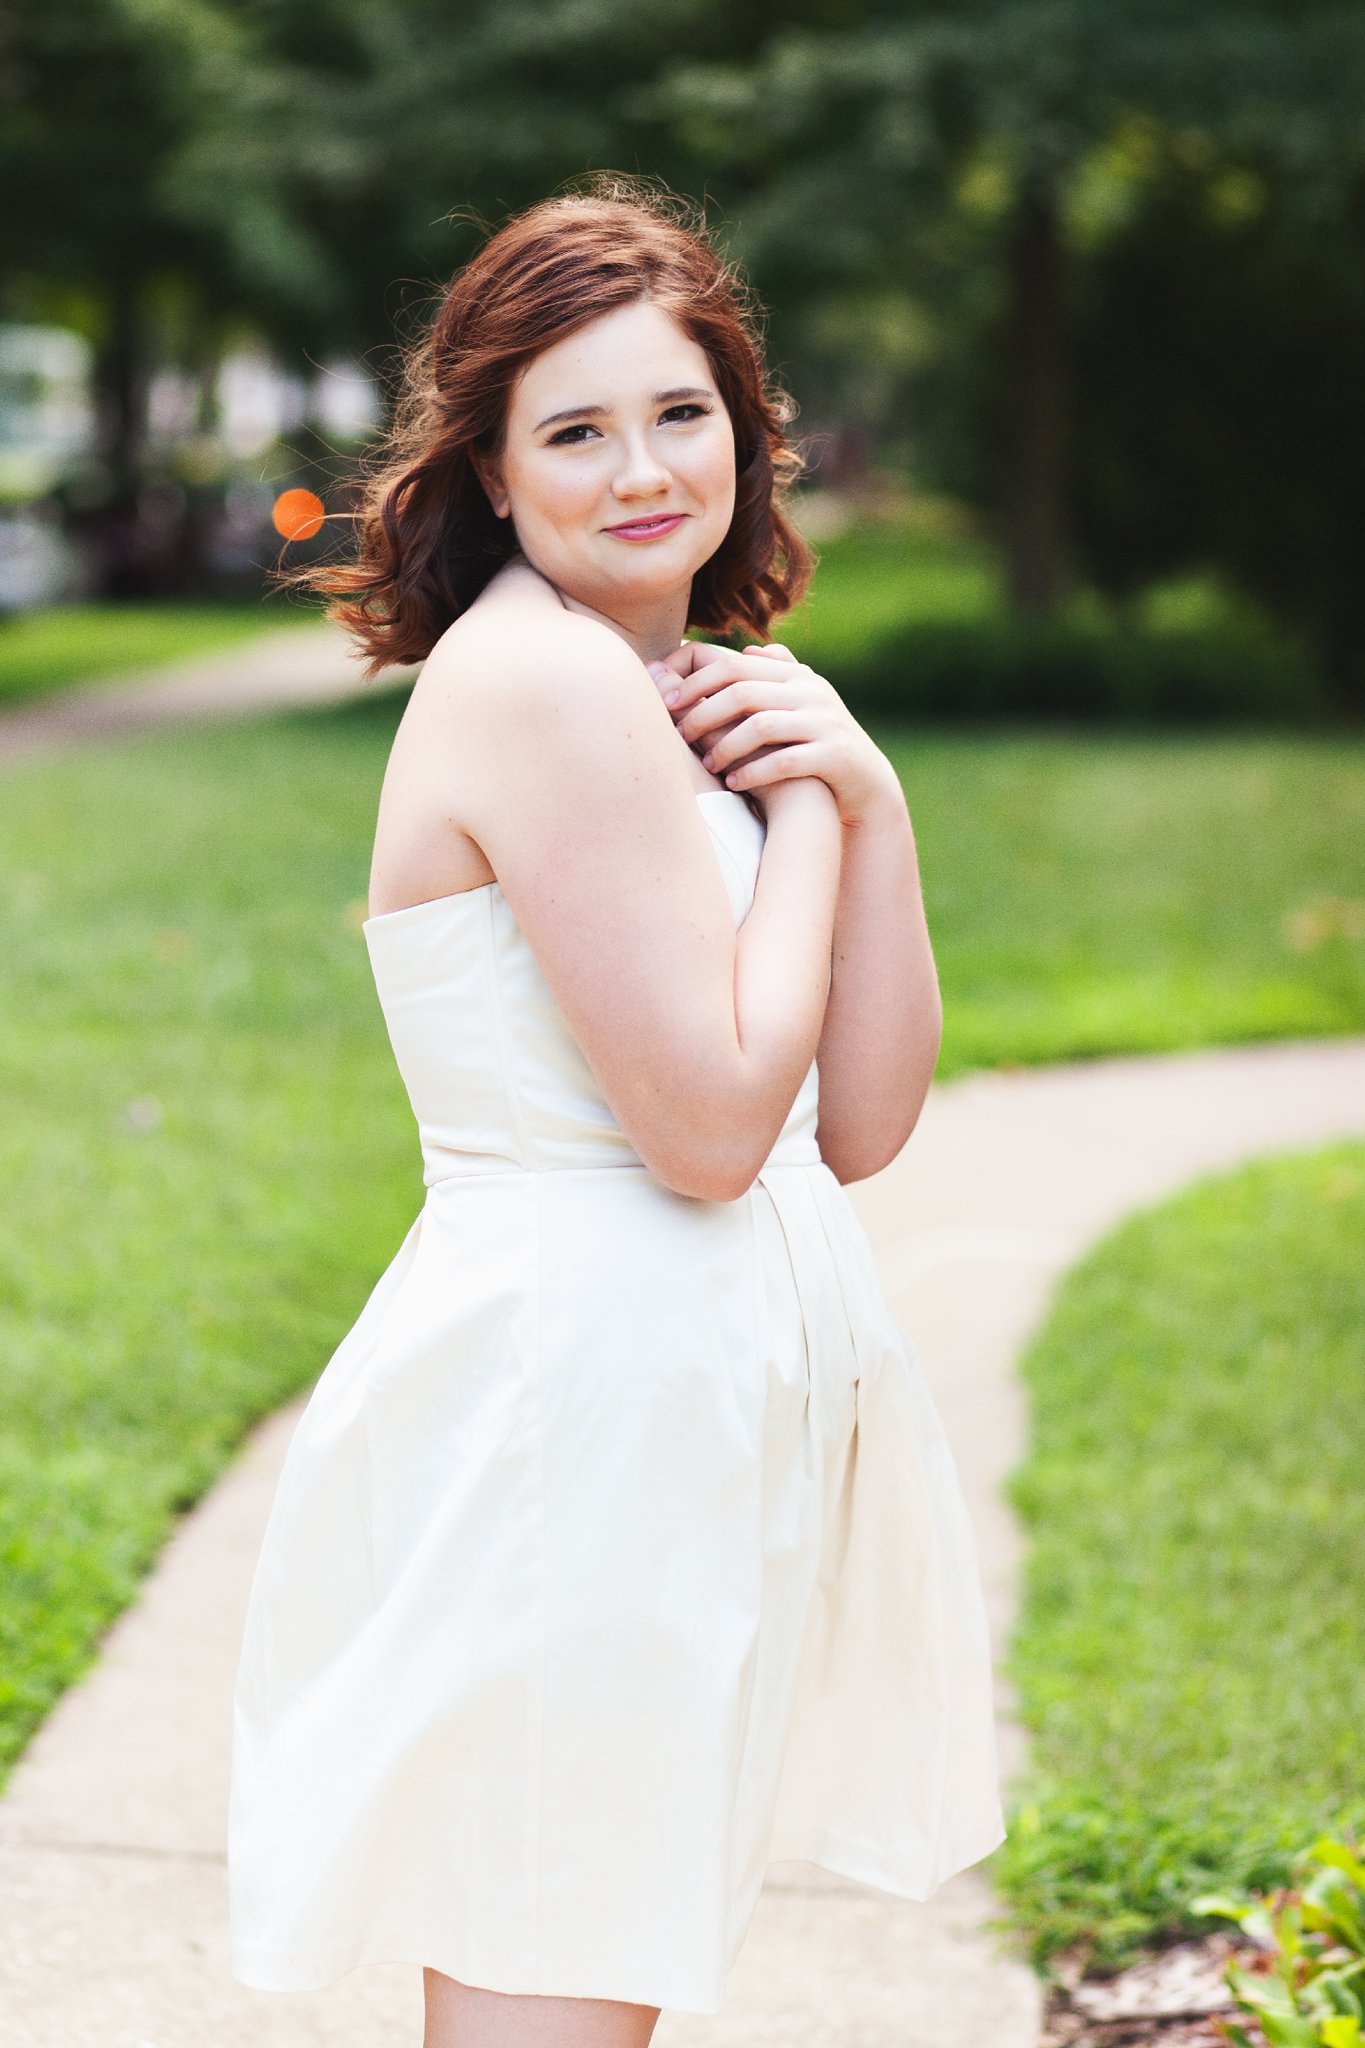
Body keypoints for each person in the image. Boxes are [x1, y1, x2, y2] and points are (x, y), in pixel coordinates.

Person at [227, 175, 1004, 2048]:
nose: (641, 468)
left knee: (591, 1971)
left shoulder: (671, 686)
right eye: (572, 429)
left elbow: (868, 1114)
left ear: (744, 429)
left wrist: (859, 789)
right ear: (491, 470)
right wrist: (807, 815)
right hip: (572, 1416)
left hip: (667, 1409)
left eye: (680, 413)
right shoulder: (550, 687)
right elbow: (718, 1130)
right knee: (547, 1984)